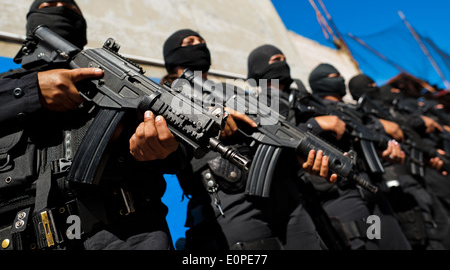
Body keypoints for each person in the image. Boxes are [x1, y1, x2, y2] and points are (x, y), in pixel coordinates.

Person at [0, 0, 187, 250]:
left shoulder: (115, 81)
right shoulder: (8, 85)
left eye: (71, 9)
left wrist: (161, 148)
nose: (60, 9)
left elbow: (176, 152)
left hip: (127, 234)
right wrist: (32, 90)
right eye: (49, 5)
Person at [162, 29, 335, 250]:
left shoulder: (231, 89)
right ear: (172, 55)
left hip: (284, 192)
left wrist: (302, 156)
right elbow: (169, 141)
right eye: (190, 41)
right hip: (229, 197)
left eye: (202, 40)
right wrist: (212, 117)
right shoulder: (170, 94)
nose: (200, 44)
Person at [349, 73, 450, 249]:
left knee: (439, 222)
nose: (375, 88)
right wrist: (419, 121)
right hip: (395, 177)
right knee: (421, 228)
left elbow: (408, 135)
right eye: (369, 85)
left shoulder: (383, 109)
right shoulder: (363, 113)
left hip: (415, 170)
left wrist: (431, 153)